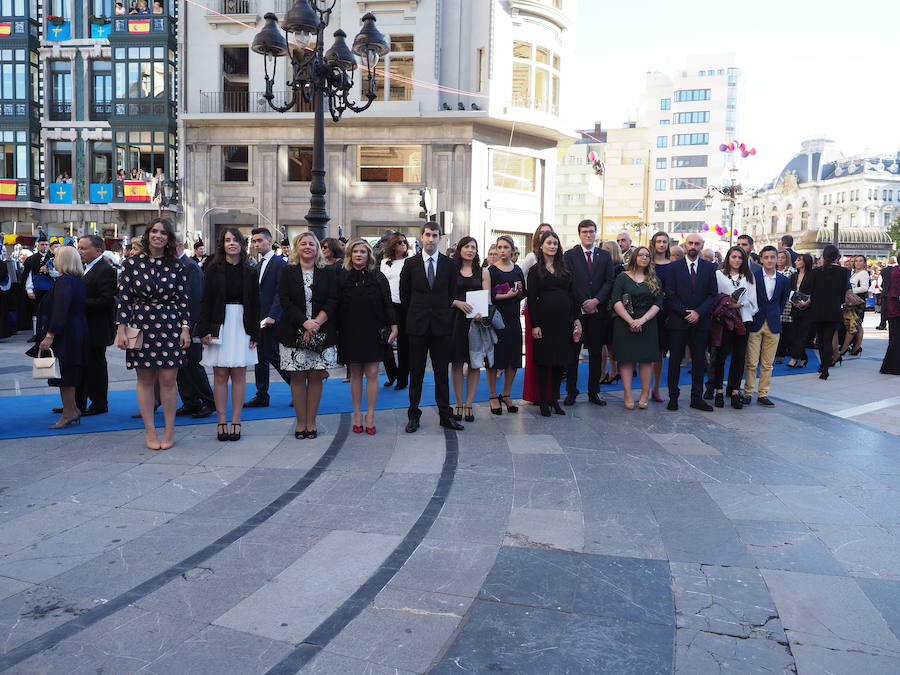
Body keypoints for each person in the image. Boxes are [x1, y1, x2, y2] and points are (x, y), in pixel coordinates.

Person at [115, 218, 190, 450]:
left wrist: (185, 328)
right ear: (148, 235)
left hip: (169, 323)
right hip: (139, 324)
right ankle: (150, 430)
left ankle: (169, 428)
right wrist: (121, 329)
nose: (158, 235)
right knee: (144, 379)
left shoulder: (178, 266)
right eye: (155, 231)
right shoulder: (131, 263)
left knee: (168, 379)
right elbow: (124, 299)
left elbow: (183, 300)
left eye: (163, 233)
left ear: (169, 238)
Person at [399, 221, 462, 432]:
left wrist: (440, 313)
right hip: (417, 327)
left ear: (440, 238)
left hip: (441, 327)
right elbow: (405, 295)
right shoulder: (410, 264)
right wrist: (418, 314)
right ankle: (413, 415)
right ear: (421, 237)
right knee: (415, 373)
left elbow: (452, 294)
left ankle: (445, 415)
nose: (431, 239)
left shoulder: (449, 264)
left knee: (441, 373)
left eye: (435, 235)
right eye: (427, 235)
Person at [197, 229, 259, 441]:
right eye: (227, 240)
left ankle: (236, 420)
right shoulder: (212, 269)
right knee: (221, 375)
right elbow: (204, 300)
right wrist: (203, 329)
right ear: (221, 244)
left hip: (242, 324)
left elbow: (257, 304)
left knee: (240, 375)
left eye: (235, 240)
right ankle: (221, 419)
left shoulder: (250, 270)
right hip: (219, 323)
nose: (231, 243)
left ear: (242, 244)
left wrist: (255, 333)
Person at [277, 233, 338, 439]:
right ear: (297, 247)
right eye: (303, 243)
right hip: (294, 331)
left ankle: (311, 422)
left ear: (318, 249)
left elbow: (333, 300)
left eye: (312, 244)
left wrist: (316, 323)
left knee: (315, 378)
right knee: (297, 377)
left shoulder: (328, 273)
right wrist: (305, 323)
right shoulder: (287, 272)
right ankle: (300, 422)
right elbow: (285, 301)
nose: (308, 247)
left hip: (322, 332)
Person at [336, 239, 397, 435]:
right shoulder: (342, 277)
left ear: (369, 255)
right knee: (355, 375)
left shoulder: (378, 277)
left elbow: (388, 304)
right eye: (356, 251)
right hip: (350, 330)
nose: (359, 254)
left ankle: (370, 414)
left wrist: (394, 327)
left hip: (374, 330)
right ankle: (356, 413)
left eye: (363, 251)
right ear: (350, 255)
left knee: (372, 374)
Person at [31, 246, 88, 429]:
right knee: (69, 373)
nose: (53, 259)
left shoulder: (65, 281)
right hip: (76, 331)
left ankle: (69, 412)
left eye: (56, 256)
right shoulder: (77, 280)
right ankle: (71, 410)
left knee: (65, 375)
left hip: (66, 334)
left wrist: (49, 335)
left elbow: (60, 311)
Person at [527, 231, 580, 416]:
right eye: (549, 243)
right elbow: (532, 300)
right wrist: (535, 324)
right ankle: (542, 401)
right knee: (543, 362)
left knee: (560, 362)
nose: (552, 246)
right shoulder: (535, 271)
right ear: (541, 246)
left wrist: (576, 319)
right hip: (544, 322)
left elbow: (572, 296)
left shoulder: (565, 268)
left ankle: (554, 400)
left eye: (555, 243)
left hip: (563, 322)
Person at [563, 220, 614, 406]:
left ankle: (594, 392)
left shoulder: (605, 256)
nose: (588, 235)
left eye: (591, 231)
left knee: (595, 354)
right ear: (579, 234)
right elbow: (569, 281)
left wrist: (596, 301)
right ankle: (571, 391)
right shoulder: (569, 255)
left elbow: (609, 281)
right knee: (573, 353)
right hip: (577, 312)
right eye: (585, 232)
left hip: (598, 313)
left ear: (596, 234)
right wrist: (584, 303)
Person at [665, 233, 718, 412]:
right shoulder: (673, 267)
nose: (693, 246)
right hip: (678, 322)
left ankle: (697, 398)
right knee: (674, 362)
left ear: (702, 246)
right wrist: (685, 312)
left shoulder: (710, 268)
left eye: (697, 243)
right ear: (685, 245)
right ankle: (673, 397)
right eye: (690, 243)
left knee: (699, 362)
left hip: (701, 322)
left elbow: (712, 295)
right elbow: (670, 294)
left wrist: (698, 313)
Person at [611, 246, 663, 409]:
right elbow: (616, 300)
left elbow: (658, 303)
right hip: (624, 323)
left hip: (647, 324)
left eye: (647, 255)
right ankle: (627, 393)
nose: (644, 257)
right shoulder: (622, 277)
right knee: (626, 360)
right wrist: (630, 321)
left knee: (646, 361)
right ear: (634, 257)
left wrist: (641, 321)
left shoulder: (654, 279)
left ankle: (644, 394)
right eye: (640, 255)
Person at [245, 227, 291, 408]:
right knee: (260, 356)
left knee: (270, 354)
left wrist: (273, 316)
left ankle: (297, 386)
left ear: (270, 241)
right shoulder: (257, 265)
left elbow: (281, 292)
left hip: (272, 319)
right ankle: (262, 395)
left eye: (260, 240)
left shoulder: (280, 263)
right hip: (259, 318)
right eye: (254, 241)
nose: (256, 244)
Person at [741, 246, 790, 408]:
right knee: (751, 362)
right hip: (756, 322)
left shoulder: (784, 280)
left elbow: (782, 302)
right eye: (766, 257)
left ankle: (763, 394)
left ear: (777, 259)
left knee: (768, 363)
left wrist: (774, 315)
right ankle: (748, 393)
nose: (769, 260)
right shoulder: (752, 277)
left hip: (774, 324)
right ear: (761, 259)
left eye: (772, 257)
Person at [74, 235, 116, 416]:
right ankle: (77, 403)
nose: (79, 251)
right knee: (83, 366)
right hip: (84, 327)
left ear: (98, 250)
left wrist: (77, 302)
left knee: (96, 367)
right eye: (79, 247)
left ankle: (99, 403)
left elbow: (106, 301)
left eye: (83, 248)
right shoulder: (86, 268)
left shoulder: (105, 269)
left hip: (96, 328)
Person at [449, 236, 491, 422]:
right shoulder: (451, 269)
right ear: (460, 249)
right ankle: (458, 403)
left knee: (474, 363)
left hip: (476, 323)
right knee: (457, 363)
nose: (470, 250)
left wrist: (483, 312)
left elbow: (487, 299)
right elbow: (443, 295)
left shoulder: (483, 272)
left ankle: (469, 404)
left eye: (473, 247)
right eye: (466, 246)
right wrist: (457, 302)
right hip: (455, 322)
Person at [711, 246, 757, 409]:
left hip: (744, 320)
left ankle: (735, 391)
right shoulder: (718, 275)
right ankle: (718, 391)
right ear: (728, 258)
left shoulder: (749, 276)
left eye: (740, 257)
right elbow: (714, 297)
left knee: (739, 357)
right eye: (734, 257)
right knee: (721, 356)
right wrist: (726, 304)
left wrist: (738, 305)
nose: (737, 260)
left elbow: (753, 301)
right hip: (724, 321)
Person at [174, 235, 214, 419]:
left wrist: (188, 327)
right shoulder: (174, 265)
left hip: (189, 325)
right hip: (174, 324)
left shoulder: (190, 267)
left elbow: (194, 300)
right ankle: (190, 401)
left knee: (192, 364)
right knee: (181, 366)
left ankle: (208, 400)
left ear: (180, 246)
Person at [486, 235, 525, 414]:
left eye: (505, 247)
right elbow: (487, 296)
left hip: (513, 319)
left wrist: (519, 291)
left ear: (512, 250)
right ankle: (493, 395)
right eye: (499, 247)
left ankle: (506, 393)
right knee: (494, 360)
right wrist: (506, 296)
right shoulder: (491, 270)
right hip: (496, 319)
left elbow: (522, 293)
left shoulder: (517, 269)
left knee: (513, 359)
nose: (502, 251)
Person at [520, 223, 555, 404]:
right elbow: (520, 274)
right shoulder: (532, 257)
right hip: (534, 307)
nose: (545, 236)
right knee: (535, 354)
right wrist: (525, 292)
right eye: (542, 234)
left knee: (552, 353)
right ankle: (534, 393)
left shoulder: (557, 260)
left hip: (553, 313)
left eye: (548, 234)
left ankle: (550, 393)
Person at [805, 244, 849, 380]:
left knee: (821, 339)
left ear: (823, 256)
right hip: (834, 310)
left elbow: (806, 289)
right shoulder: (843, 272)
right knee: (828, 340)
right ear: (837, 257)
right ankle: (825, 368)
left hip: (817, 310)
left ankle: (823, 366)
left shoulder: (816, 272)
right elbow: (844, 292)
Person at [379, 232, 411, 390]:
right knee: (385, 342)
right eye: (399, 242)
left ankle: (403, 379)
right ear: (393, 245)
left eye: (405, 242)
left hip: (403, 305)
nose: (403, 244)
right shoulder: (384, 262)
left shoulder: (410, 262)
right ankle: (392, 374)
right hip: (387, 305)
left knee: (404, 344)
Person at [599, 240, 625, 386]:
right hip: (611, 309)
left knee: (605, 343)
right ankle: (612, 371)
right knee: (609, 344)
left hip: (610, 310)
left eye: (605, 250)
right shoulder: (619, 268)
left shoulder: (617, 269)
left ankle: (604, 373)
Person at [650, 231, 671, 403]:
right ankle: (644, 387)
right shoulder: (647, 263)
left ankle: (656, 387)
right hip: (646, 311)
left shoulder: (673, 265)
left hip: (665, 313)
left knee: (659, 353)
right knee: (645, 351)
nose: (662, 245)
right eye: (659, 241)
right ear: (654, 243)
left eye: (664, 241)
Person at [24, 232, 54, 342]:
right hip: (36, 289)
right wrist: (29, 289)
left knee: (50, 311)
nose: (44, 246)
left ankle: (48, 334)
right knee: (36, 312)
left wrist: (49, 270)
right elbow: (28, 275)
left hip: (51, 289)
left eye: (46, 244)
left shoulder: (54, 257)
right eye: (42, 244)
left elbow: (59, 273)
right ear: (37, 245)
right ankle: (37, 334)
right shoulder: (31, 259)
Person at [786, 253, 814, 368]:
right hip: (795, 307)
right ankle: (804, 358)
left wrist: (807, 302)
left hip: (808, 309)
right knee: (794, 334)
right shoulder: (793, 276)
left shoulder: (812, 275)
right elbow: (790, 291)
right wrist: (792, 301)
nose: (796, 262)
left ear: (805, 262)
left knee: (802, 334)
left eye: (798, 260)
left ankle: (794, 358)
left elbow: (816, 292)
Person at [839, 255, 870, 358]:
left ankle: (844, 348)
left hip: (857, 302)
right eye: (856, 261)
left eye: (861, 261)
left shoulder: (864, 273)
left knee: (852, 326)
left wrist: (851, 291)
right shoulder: (854, 273)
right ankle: (857, 347)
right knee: (858, 325)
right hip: (853, 301)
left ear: (865, 263)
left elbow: (865, 288)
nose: (858, 263)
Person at [774, 249, 796, 364]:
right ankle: (779, 353)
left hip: (788, 304)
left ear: (787, 259)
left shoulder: (791, 271)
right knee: (778, 331)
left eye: (783, 257)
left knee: (787, 331)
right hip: (775, 305)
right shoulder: (773, 271)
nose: (780, 260)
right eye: (778, 257)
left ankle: (786, 354)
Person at [880, 263, 900, 375]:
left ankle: (889, 366)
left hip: (891, 306)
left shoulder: (888, 271)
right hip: (895, 305)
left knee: (894, 339)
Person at [877, 257, 896, 331]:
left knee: (884, 310)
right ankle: (894, 325)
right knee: (895, 310)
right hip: (895, 293)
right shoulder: (897, 270)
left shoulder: (884, 271)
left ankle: (883, 324)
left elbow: (882, 283)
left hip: (885, 292)